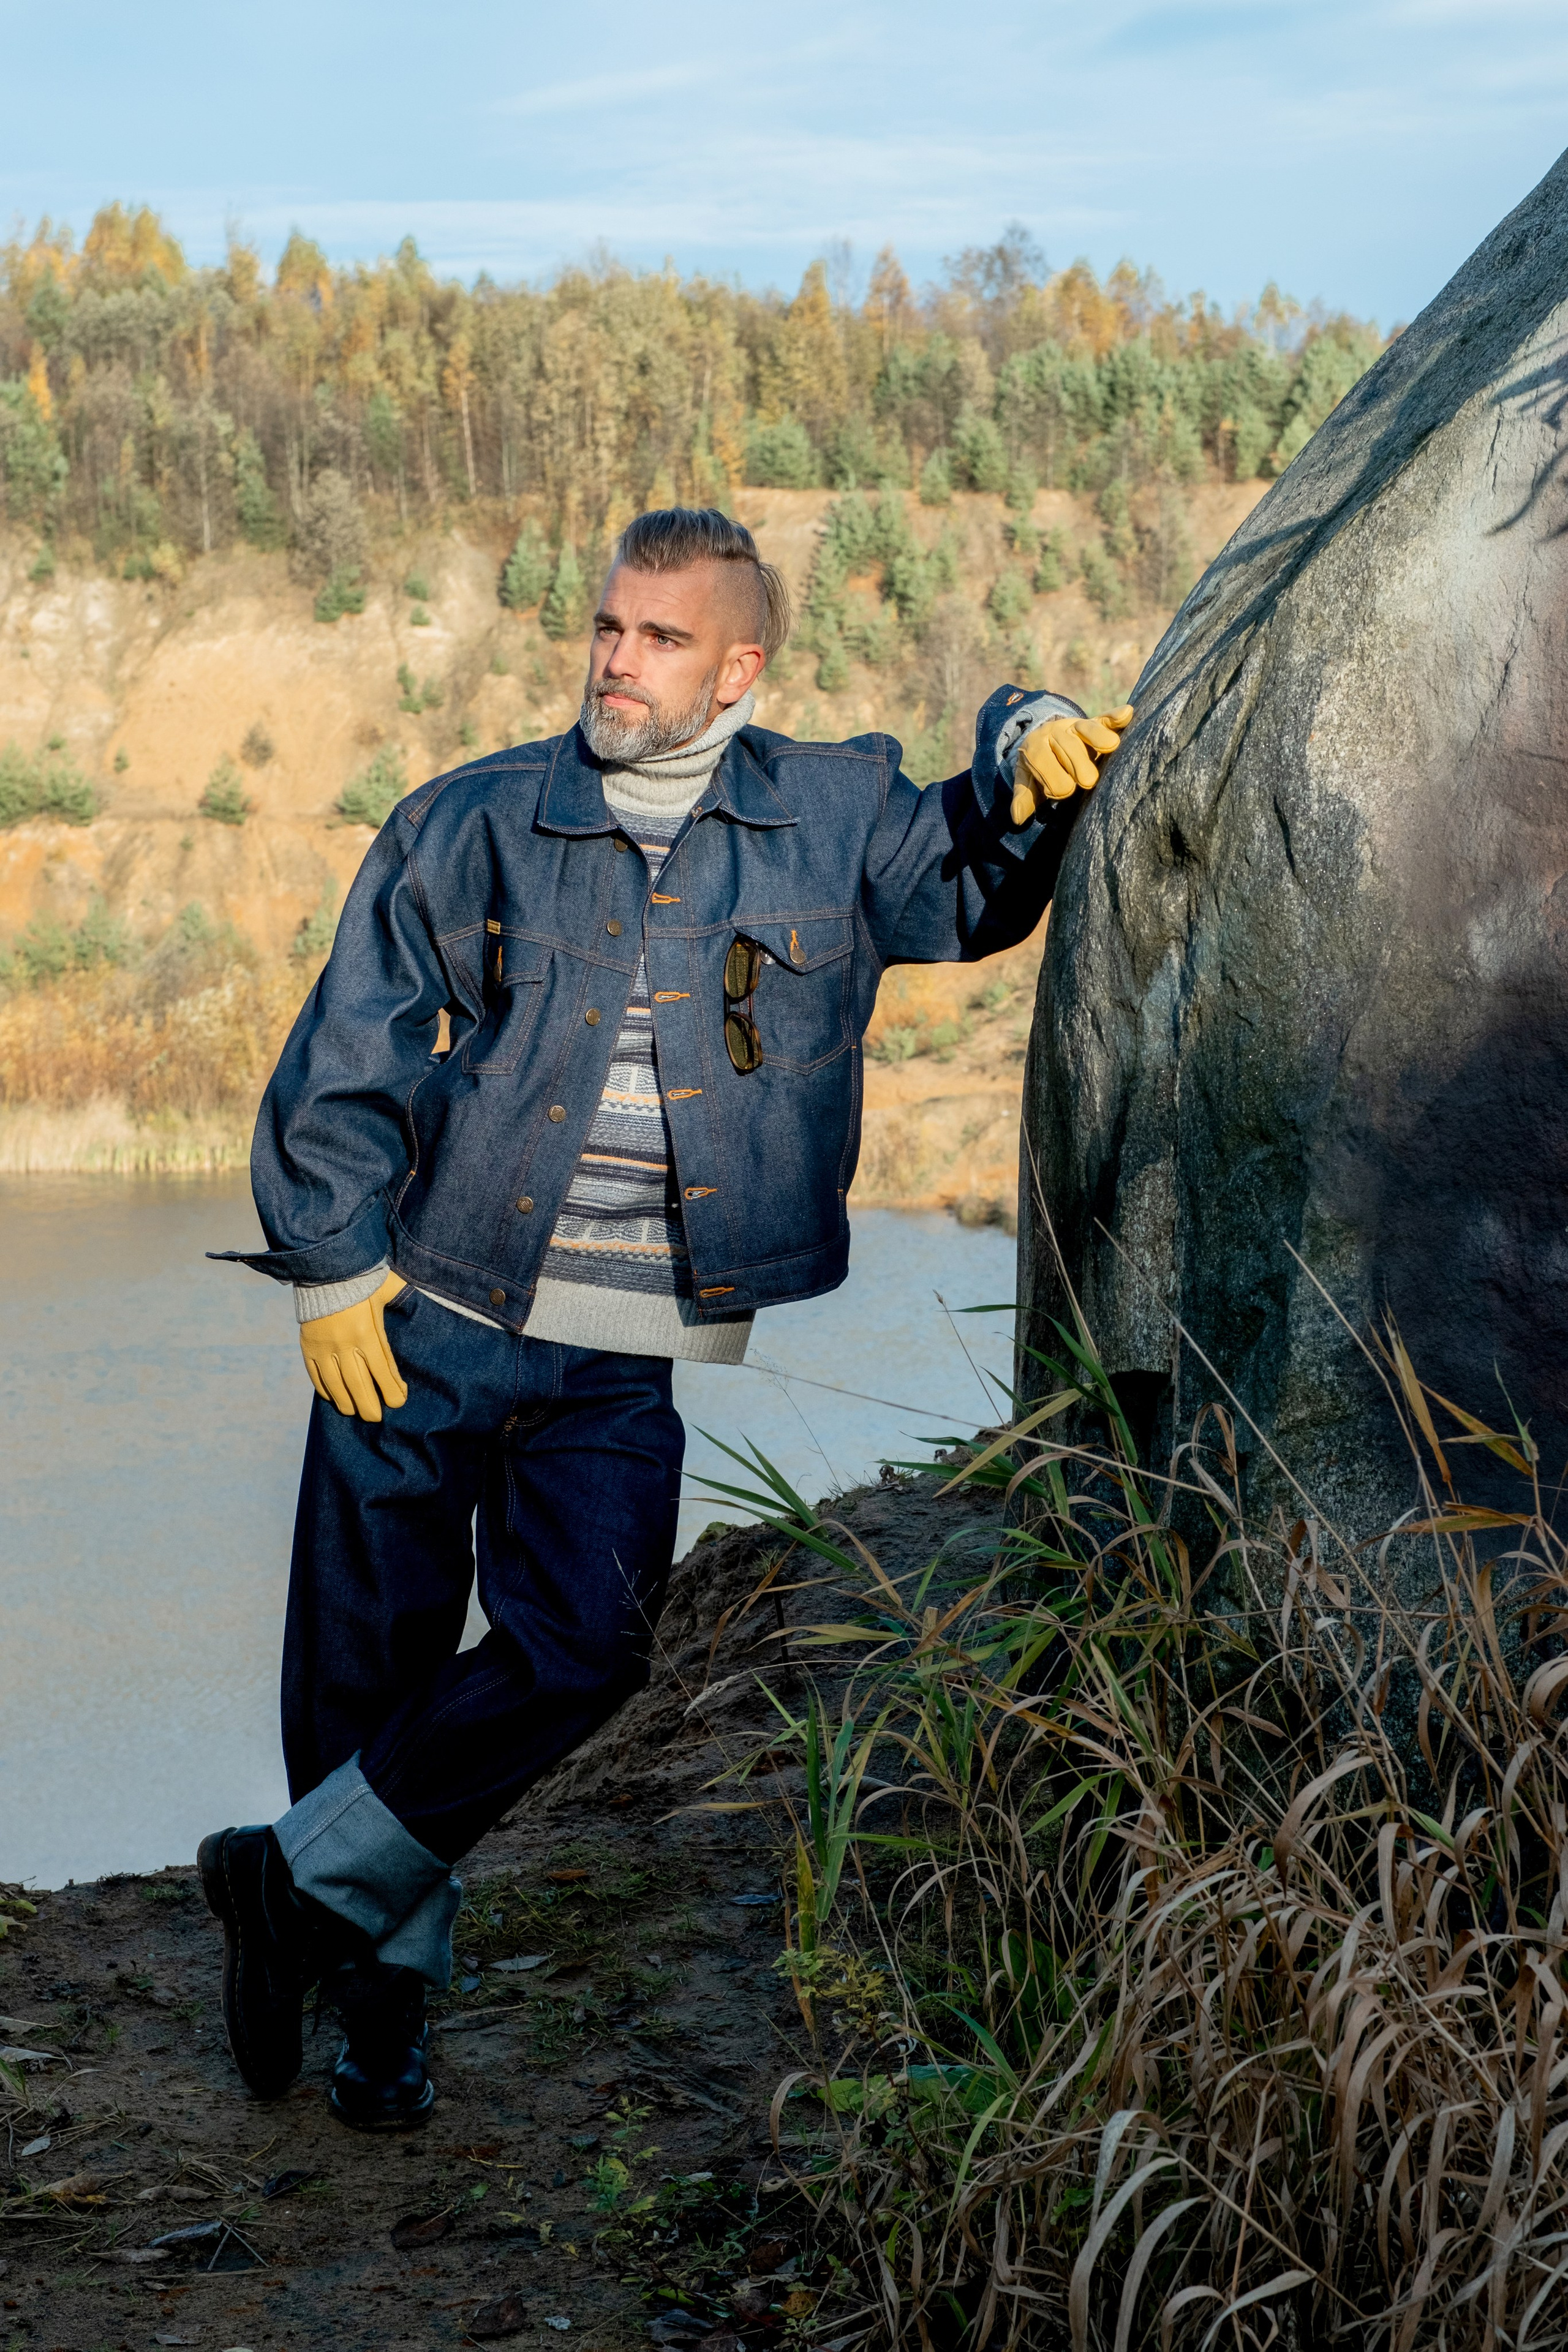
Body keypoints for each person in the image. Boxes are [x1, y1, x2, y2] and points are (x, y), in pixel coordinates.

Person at [198, 506, 1131, 2128]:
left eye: (661, 638)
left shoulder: (830, 816)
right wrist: (333, 1266)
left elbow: (973, 878)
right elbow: (350, 1039)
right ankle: (381, 2006)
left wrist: (1028, 741)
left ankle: (289, 1892)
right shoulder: (475, 817)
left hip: (626, 1343)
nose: (617, 662)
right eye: (610, 628)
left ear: (740, 668)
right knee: (369, 1661)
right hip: (429, 1307)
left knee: (591, 1645)